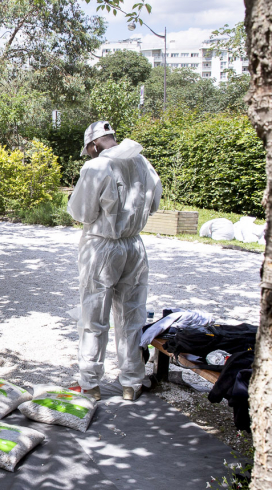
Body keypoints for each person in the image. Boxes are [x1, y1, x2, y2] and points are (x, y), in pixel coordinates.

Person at [67, 121, 162, 401]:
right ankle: (132, 382)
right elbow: (154, 204)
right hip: (134, 246)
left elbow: (82, 211)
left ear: (93, 145)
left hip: (102, 246)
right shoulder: (142, 162)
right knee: (132, 315)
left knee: (93, 317)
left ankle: (90, 384)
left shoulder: (95, 167)